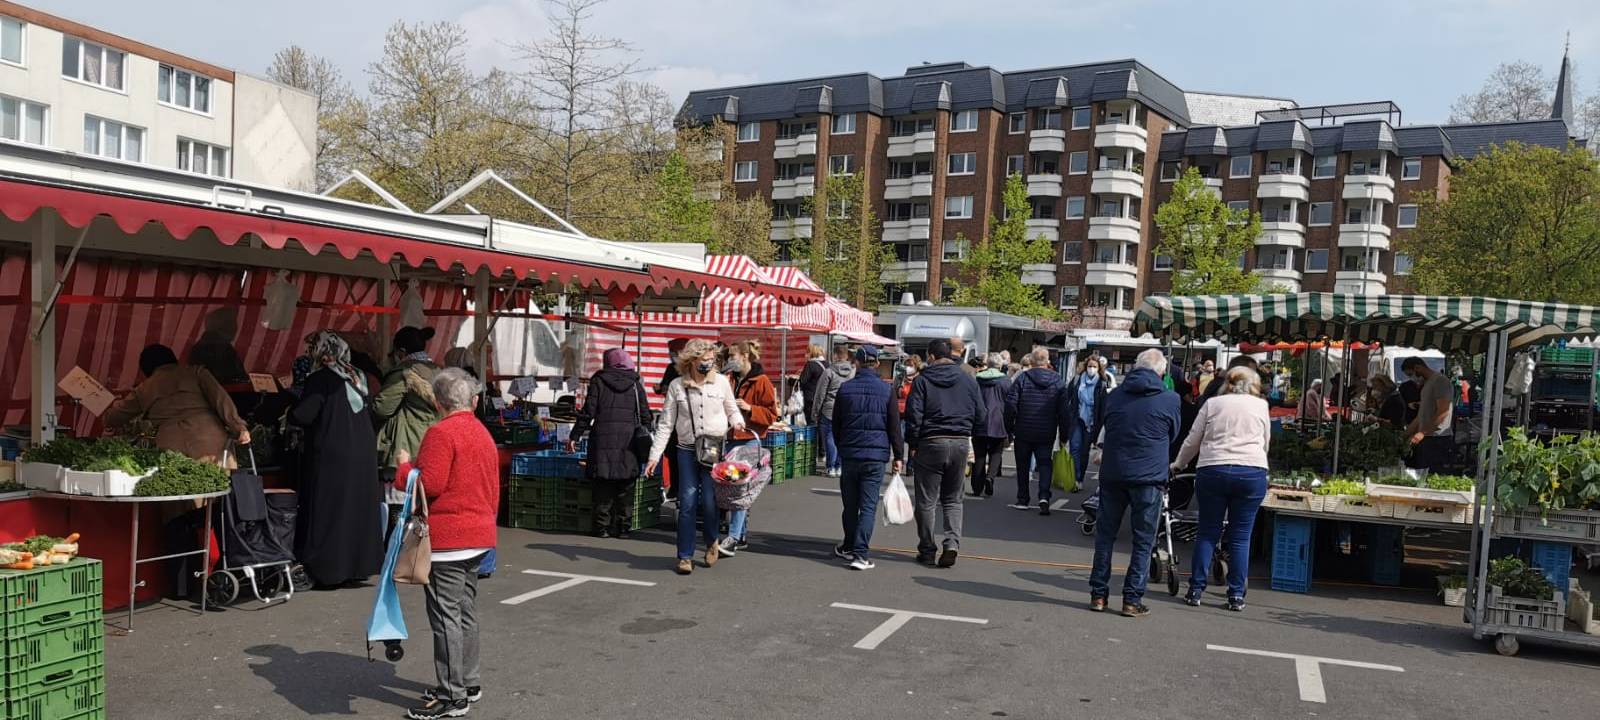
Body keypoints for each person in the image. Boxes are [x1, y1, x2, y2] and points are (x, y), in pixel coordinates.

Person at [392, 368, 499, 720]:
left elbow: (431, 484)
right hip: (478, 534)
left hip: (450, 538)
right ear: (474, 400)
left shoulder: (440, 433)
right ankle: (468, 682)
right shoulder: (482, 432)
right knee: (464, 612)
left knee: (445, 617)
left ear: (438, 402)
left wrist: (404, 468)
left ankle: (453, 694)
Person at [1088, 349, 1180, 617]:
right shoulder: (1170, 399)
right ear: (1161, 372)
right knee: (1143, 540)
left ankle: (1098, 595)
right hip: (1149, 475)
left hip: (1114, 471)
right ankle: (1131, 599)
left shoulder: (1114, 395)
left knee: (1105, 536)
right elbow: (1173, 434)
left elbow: (1105, 425)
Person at [289, 331, 383, 589]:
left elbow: (305, 414)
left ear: (321, 351)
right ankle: (357, 567)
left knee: (330, 508)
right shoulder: (357, 375)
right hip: (362, 450)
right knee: (356, 507)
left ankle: (328, 569)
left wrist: (289, 408)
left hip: (334, 452)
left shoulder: (321, 379)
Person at [1172, 366, 1270, 612]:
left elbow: (1193, 440)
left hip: (1213, 468)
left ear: (1227, 383)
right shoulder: (1261, 406)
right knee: (1240, 536)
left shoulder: (1213, 404)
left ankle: (1195, 590)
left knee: (1207, 532)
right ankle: (1236, 595)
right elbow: (1265, 442)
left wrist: (1178, 464)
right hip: (1251, 471)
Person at [645, 339, 745, 575]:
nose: (709, 363)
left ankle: (711, 541)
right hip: (686, 450)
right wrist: (654, 456)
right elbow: (666, 424)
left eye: (711, 359)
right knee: (687, 502)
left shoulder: (721, 382)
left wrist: (737, 422)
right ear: (691, 360)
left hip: (713, 450)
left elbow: (732, 409)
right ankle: (685, 556)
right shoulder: (677, 386)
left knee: (710, 501)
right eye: (704, 359)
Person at [905, 339, 983, 568]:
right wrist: (968, 432)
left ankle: (927, 548)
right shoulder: (967, 379)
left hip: (931, 441)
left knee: (926, 500)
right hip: (959, 441)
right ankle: (951, 544)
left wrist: (913, 443)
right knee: (953, 499)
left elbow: (914, 415)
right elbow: (981, 413)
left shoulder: (922, 381)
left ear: (931, 356)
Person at [106, 344, 250, 464]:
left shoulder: (143, 389)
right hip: (208, 438)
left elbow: (114, 417)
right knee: (220, 485)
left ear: (146, 368)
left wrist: (107, 407)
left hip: (171, 443)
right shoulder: (196, 373)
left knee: (179, 486)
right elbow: (221, 399)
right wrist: (239, 427)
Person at [831, 346, 905, 570]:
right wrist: (898, 455)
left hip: (850, 454)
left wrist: (842, 446)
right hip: (875, 456)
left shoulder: (845, 389)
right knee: (868, 506)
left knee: (850, 505)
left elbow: (836, 424)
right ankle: (861, 554)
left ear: (857, 363)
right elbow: (894, 426)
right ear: (877, 363)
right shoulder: (886, 390)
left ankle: (849, 545)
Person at [570, 348, 651, 539]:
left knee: (603, 485)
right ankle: (623, 528)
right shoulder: (635, 383)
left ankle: (601, 528)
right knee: (626, 486)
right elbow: (645, 414)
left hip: (603, 440)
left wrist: (575, 435)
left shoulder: (599, 380)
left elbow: (588, 411)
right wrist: (646, 435)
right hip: (629, 441)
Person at [374, 326, 442, 524]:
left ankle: (399, 540)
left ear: (401, 352)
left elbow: (382, 408)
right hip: (433, 444)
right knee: (424, 504)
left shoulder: (404, 373)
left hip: (406, 447)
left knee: (399, 509)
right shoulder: (439, 371)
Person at [719, 340, 778, 556]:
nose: (730, 360)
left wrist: (750, 408)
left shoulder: (762, 381)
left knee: (740, 489)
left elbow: (772, 415)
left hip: (750, 440)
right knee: (737, 489)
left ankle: (734, 537)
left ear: (745, 356)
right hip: (730, 439)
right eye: (728, 357)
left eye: (732, 356)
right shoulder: (728, 379)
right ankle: (740, 534)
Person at [1005, 348, 1069, 514]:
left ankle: (1023, 499)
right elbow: (1064, 412)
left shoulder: (1022, 378)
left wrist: (1009, 427)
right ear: (1047, 362)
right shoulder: (1058, 381)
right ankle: (1044, 496)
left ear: (1032, 361)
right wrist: (1064, 435)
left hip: (1023, 429)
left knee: (1023, 465)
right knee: (1045, 463)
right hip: (1046, 430)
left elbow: (1010, 405)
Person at [1063, 354, 1110, 495]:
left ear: (1099, 368)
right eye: (1089, 366)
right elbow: (1067, 396)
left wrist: (1101, 426)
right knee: (1074, 448)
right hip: (1077, 418)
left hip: (1091, 421)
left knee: (1084, 451)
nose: (1091, 369)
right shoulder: (1078, 380)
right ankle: (1075, 477)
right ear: (1085, 366)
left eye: (1094, 367)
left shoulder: (1102, 383)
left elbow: (1103, 407)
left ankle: (1080, 478)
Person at [809, 345, 855, 478]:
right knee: (842, 438)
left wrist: (815, 412)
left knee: (830, 437)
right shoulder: (853, 373)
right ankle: (839, 466)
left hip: (829, 409)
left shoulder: (828, 372)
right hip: (847, 409)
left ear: (835, 355)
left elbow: (820, 394)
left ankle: (831, 467)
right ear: (847, 356)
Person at [1403, 357, 1455, 470]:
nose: (1412, 378)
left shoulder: (1440, 381)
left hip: (1438, 439)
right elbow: (1420, 416)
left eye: (1411, 374)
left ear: (1418, 367)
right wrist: (1405, 435)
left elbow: (1443, 412)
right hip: (1427, 439)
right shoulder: (1427, 384)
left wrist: (1422, 433)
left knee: (1433, 474)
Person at [972, 353, 1011, 497]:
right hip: (998, 420)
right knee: (996, 453)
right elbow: (1010, 403)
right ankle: (990, 477)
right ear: (1000, 366)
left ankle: (977, 487)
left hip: (980, 420)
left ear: (987, 364)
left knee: (979, 455)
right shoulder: (1006, 381)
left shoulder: (977, 379)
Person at [186, 307, 250, 387]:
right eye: (232, 323)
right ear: (223, 326)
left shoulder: (201, 347)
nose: (236, 327)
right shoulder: (221, 349)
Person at [798, 344, 828, 423]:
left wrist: (792, 379)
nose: (806, 355)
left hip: (811, 399)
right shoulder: (827, 364)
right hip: (824, 398)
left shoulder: (810, 365)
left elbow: (803, 381)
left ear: (812, 353)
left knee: (811, 422)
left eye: (807, 352)